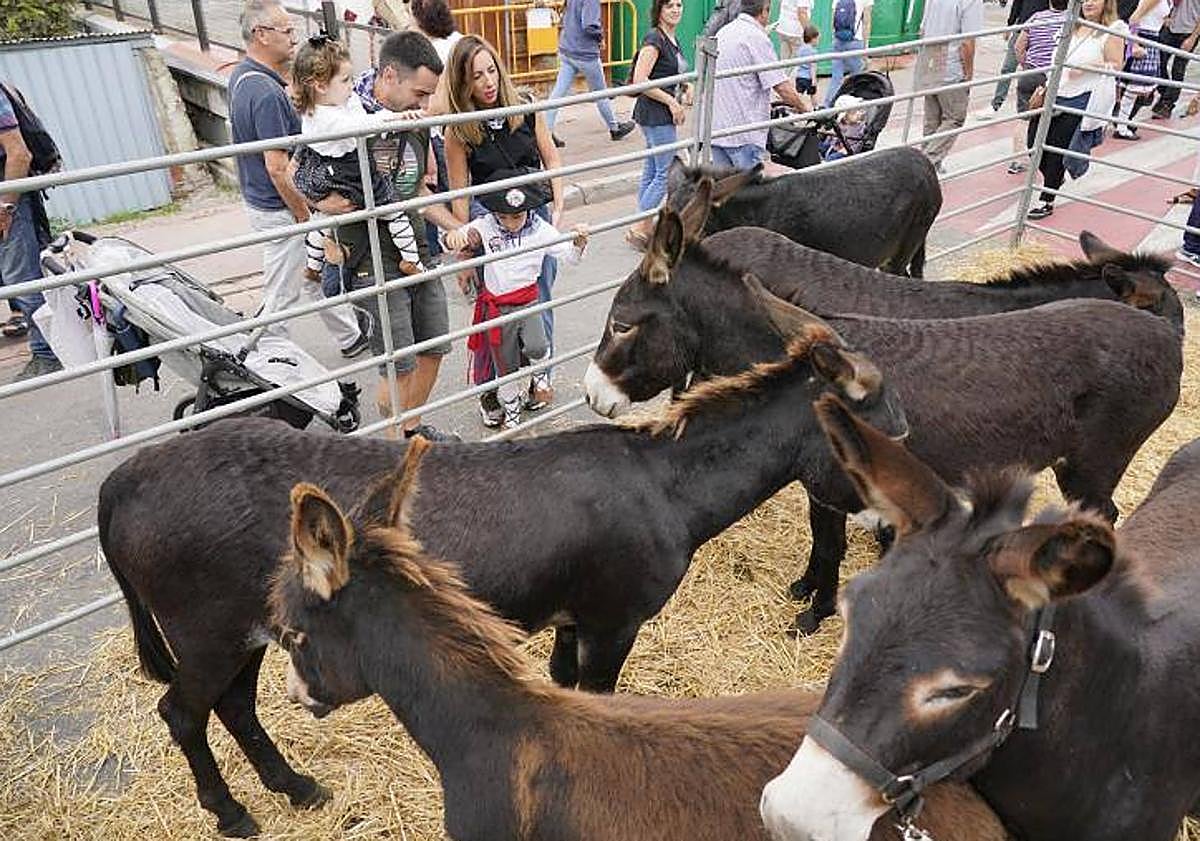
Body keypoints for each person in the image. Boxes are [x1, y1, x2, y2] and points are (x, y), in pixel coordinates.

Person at [317, 30, 464, 441]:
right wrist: (326, 204)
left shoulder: (412, 119)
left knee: (434, 346)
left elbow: (414, 188)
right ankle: (393, 449)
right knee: (398, 365)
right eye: (419, 93)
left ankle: (409, 432)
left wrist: (457, 227)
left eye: (429, 95)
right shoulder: (343, 116)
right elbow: (297, 171)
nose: (425, 105)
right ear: (389, 76)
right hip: (369, 256)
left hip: (415, 245)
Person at [230, 0, 365, 357]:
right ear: (261, 34)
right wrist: (306, 214)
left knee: (310, 274)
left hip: (266, 200)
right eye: (287, 30)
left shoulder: (243, 77)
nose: (294, 37)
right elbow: (278, 166)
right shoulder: (266, 93)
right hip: (282, 206)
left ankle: (351, 336)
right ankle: (267, 356)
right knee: (283, 291)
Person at [444, 35, 563, 411]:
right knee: (496, 306)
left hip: (535, 214)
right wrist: (465, 253)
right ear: (463, 83)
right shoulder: (459, 129)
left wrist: (558, 207)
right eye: (476, 76)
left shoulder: (525, 107)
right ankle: (496, 386)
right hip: (490, 223)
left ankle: (541, 375)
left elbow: (551, 159)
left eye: (491, 70)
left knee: (539, 295)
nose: (488, 82)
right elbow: (460, 193)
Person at [445, 177, 588, 429]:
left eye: (517, 216)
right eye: (503, 216)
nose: (510, 223)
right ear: (494, 212)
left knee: (537, 345)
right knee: (505, 366)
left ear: (529, 210)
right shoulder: (486, 225)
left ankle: (540, 375)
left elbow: (570, 257)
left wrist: (578, 243)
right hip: (498, 309)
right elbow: (455, 238)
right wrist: (454, 237)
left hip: (528, 301)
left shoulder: (541, 229)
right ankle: (512, 412)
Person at [290, 37, 423, 276]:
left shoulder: (334, 105)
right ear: (320, 86)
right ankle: (411, 259)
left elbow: (360, 116)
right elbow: (360, 125)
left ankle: (313, 265)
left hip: (331, 170)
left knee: (322, 217)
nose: (351, 85)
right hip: (344, 169)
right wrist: (394, 117)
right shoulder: (323, 118)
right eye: (345, 80)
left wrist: (383, 115)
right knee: (393, 208)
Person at [1026, 0, 1125, 219]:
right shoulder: (1071, 25)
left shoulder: (1113, 29)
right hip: (1055, 92)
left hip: (1081, 98)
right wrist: (1045, 86)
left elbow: (1117, 65)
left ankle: (1047, 198)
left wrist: (1088, 68)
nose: (1088, 3)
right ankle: (1054, 180)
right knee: (1033, 143)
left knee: (1056, 151)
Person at [0, 82, 62, 382]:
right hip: (10, 201)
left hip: (8, 201)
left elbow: (19, 154)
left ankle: (47, 354)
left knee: (22, 280)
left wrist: (5, 207)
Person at [710, 0, 811, 169]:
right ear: (764, 11)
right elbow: (781, 87)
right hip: (744, 134)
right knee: (751, 185)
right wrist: (805, 109)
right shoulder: (756, 37)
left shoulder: (724, 32)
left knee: (724, 185)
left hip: (718, 130)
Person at [626, 0, 689, 249]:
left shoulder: (671, 38)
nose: (676, 10)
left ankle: (643, 224)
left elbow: (670, 73)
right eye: (669, 5)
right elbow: (641, 80)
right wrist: (672, 102)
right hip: (656, 114)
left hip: (657, 113)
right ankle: (639, 226)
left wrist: (686, 85)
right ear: (659, 10)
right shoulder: (655, 39)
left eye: (679, 5)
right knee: (665, 173)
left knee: (653, 169)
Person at [543, 0, 636, 146]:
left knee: (557, 94)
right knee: (601, 93)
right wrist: (601, 37)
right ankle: (615, 128)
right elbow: (589, 25)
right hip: (585, 53)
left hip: (568, 48)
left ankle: (546, 133)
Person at [915, 0, 984, 171]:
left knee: (932, 118)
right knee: (955, 117)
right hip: (951, 65)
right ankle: (926, 163)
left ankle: (930, 164)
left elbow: (922, 30)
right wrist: (969, 73)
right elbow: (967, 42)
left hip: (930, 58)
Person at [1007, 0, 1068, 172]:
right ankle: (1043, 157)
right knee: (1050, 119)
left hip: (1030, 73)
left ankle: (1018, 161)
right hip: (1053, 77)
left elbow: (1018, 46)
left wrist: (1026, 64)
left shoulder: (1036, 17)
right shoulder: (1071, 21)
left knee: (1024, 118)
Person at [975, 0, 1049, 121]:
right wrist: (1010, 25)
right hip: (1021, 29)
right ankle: (996, 104)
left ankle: (1038, 108)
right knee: (1008, 68)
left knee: (1039, 71)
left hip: (1044, 31)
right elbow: (1017, 4)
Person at [1113, 0, 1168, 138]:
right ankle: (1121, 126)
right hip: (1143, 38)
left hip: (1151, 39)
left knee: (1137, 89)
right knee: (1133, 89)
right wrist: (1134, 44)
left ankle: (1122, 122)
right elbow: (1134, 18)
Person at [1151, 0, 1200, 118]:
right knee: (1157, 62)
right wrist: (1166, 17)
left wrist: (1193, 38)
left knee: (1178, 70)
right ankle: (1164, 92)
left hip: (1188, 32)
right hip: (1171, 28)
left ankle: (1167, 104)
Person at [825, 0, 873, 108]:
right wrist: (866, 49)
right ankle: (854, 108)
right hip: (855, 41)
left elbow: (833, 20)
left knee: (836, 78)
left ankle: (828, 107)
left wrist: (835, 39)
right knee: (857, 77)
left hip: (838, 40)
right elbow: (866, 22)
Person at [821, 94, 869, 159]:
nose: (858, 114)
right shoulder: (840, 123)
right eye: (854, 112)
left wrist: (849, 150)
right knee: (820, 145)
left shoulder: (860, 126)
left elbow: (858, 142)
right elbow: (831, 135)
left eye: (859, 110)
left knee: (832, 158)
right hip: (834, 145)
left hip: (846, 150)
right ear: (844, 116)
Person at [795, 25, 821, 100]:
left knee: (799, 94)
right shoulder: (813, 52)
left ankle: (798, 105)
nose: (818, 41)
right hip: (808, 77)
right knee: (813, 94)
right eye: (818, 39)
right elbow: (813, 67)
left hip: (799, 76)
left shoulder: (800, 49)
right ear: (813, 39)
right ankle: (815, 106)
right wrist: (814, 80)